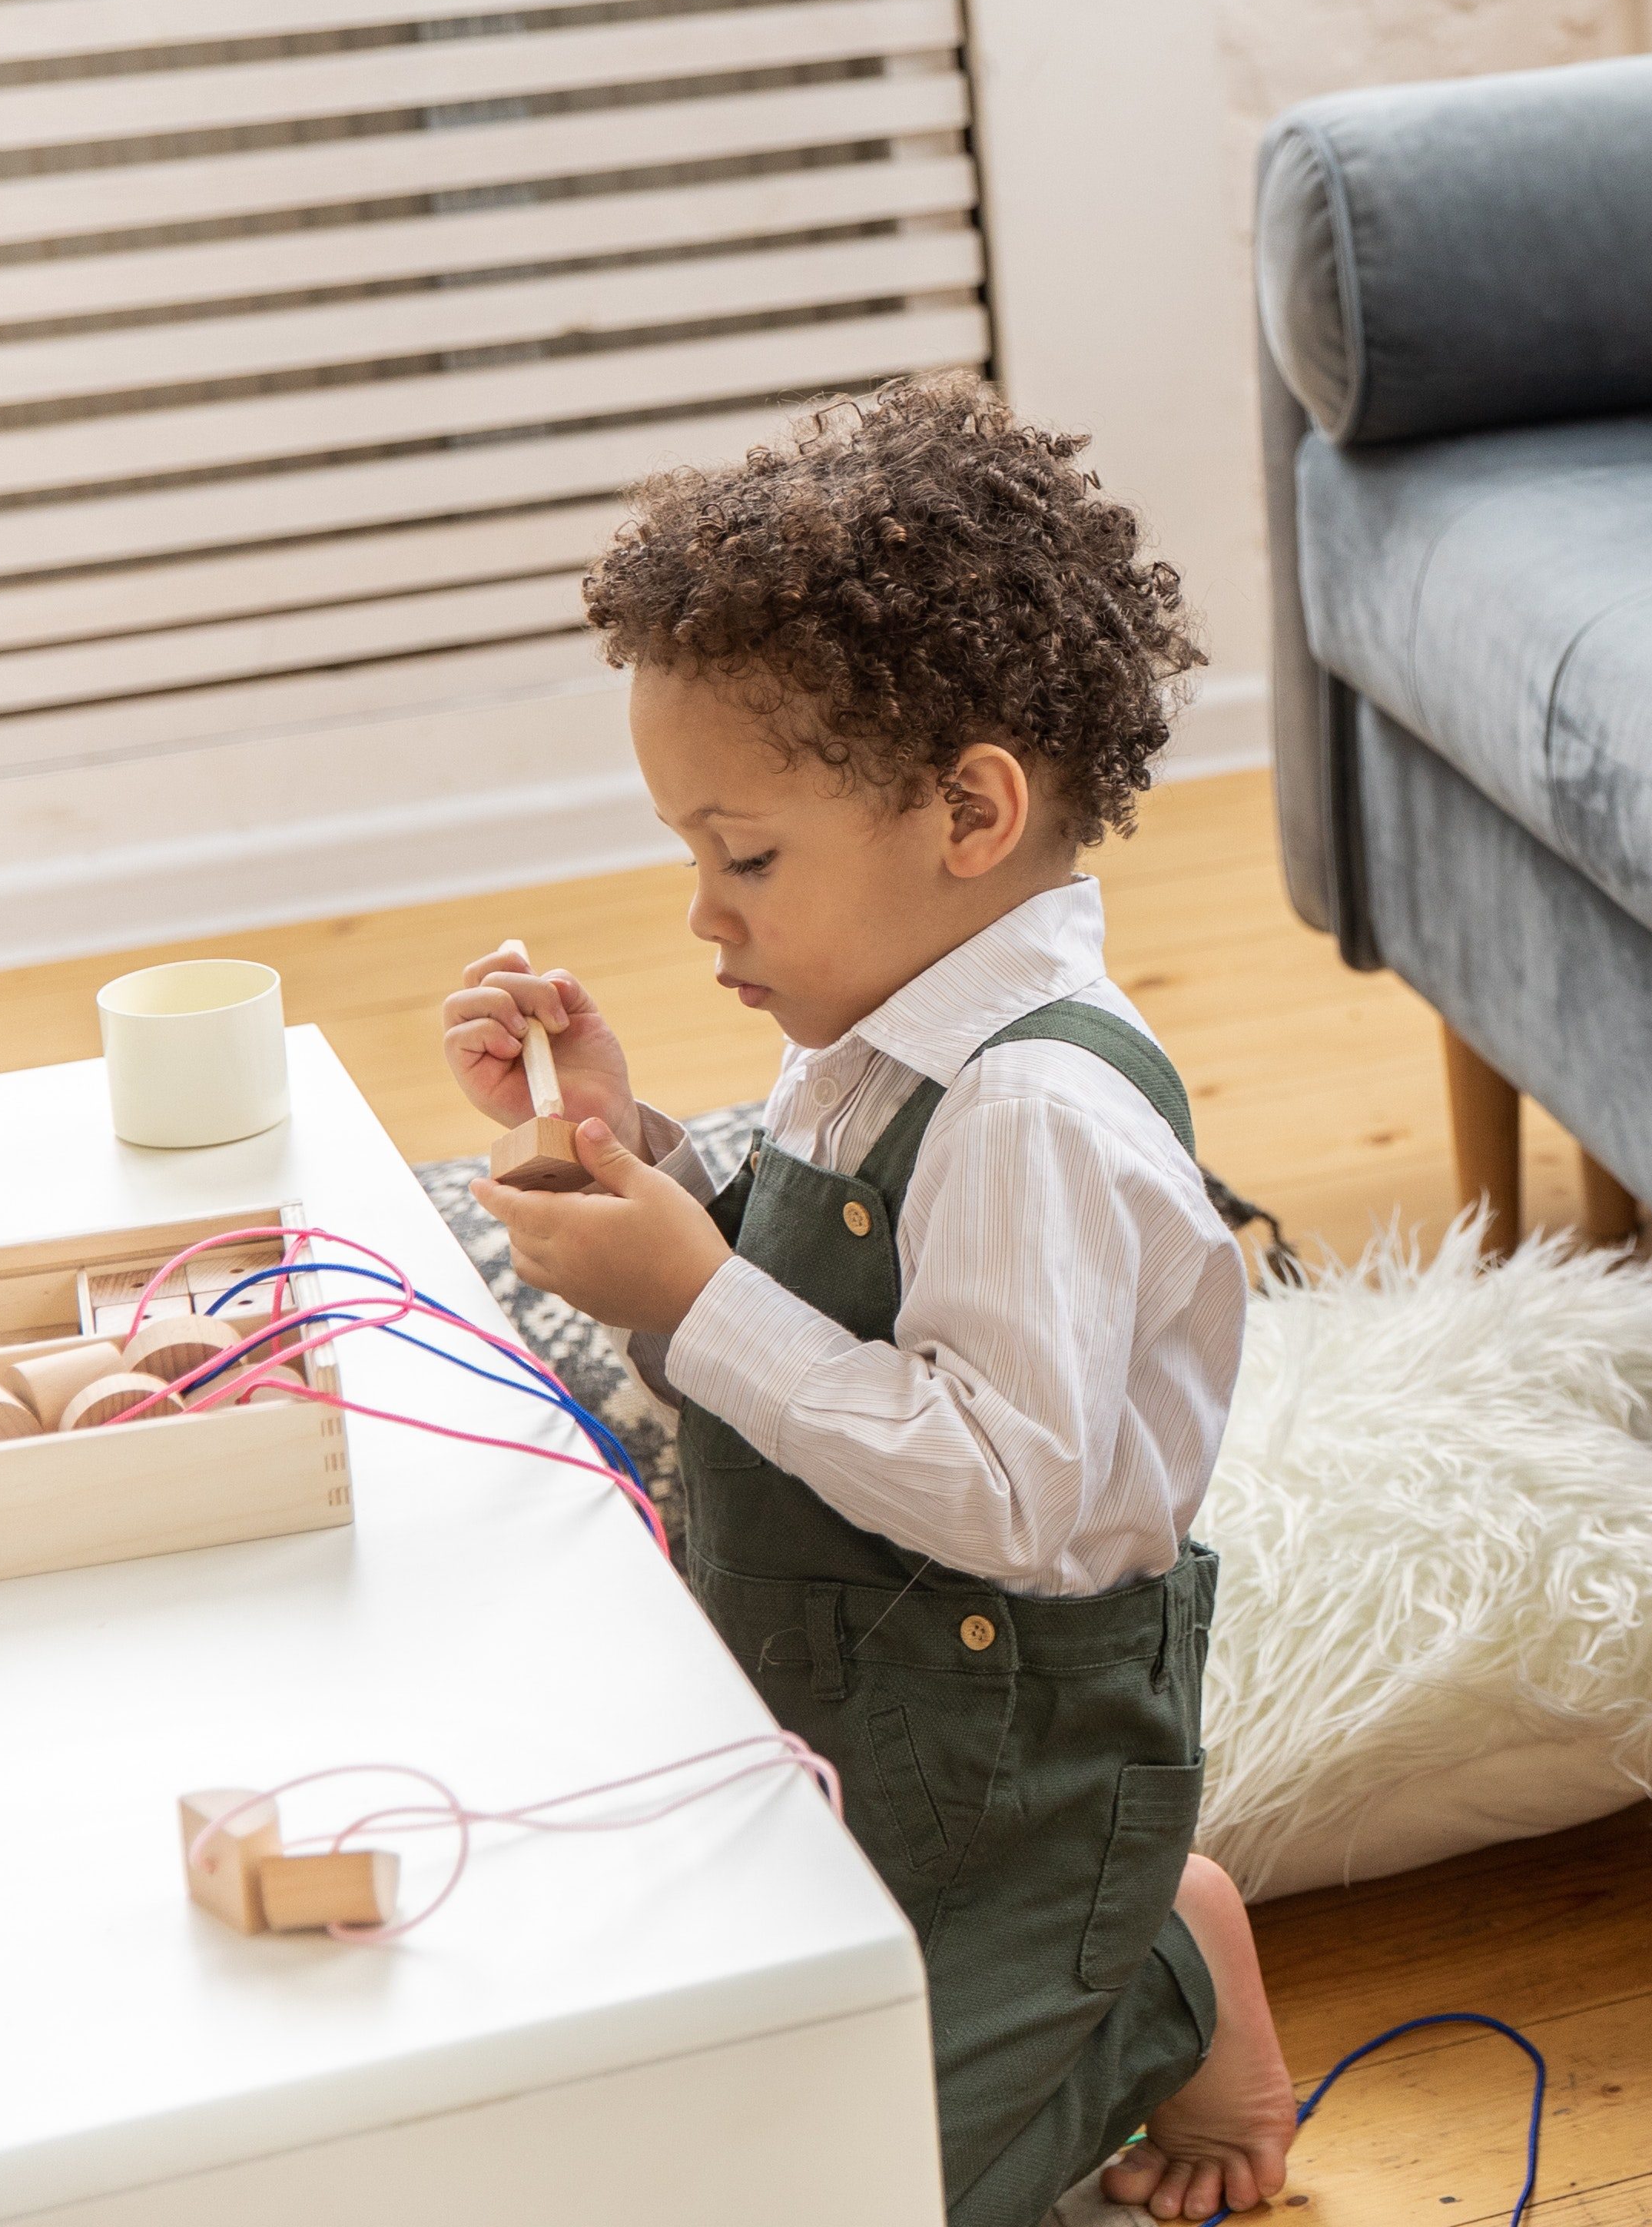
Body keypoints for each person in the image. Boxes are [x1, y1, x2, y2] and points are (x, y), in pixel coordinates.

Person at [454, 379, 1293, 2227]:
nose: (704, 914)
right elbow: (805, 1267)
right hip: (832, 1688)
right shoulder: (875, 1033)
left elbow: (1005, 1496)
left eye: (744, 855)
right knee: (692, 2051)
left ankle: (1156, 1952)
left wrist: (696, 1293)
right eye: (695, 853)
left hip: (1014, 1768)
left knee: (863, 2180)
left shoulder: (1033, 1108)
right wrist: (636, 1156)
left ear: (970, 811)